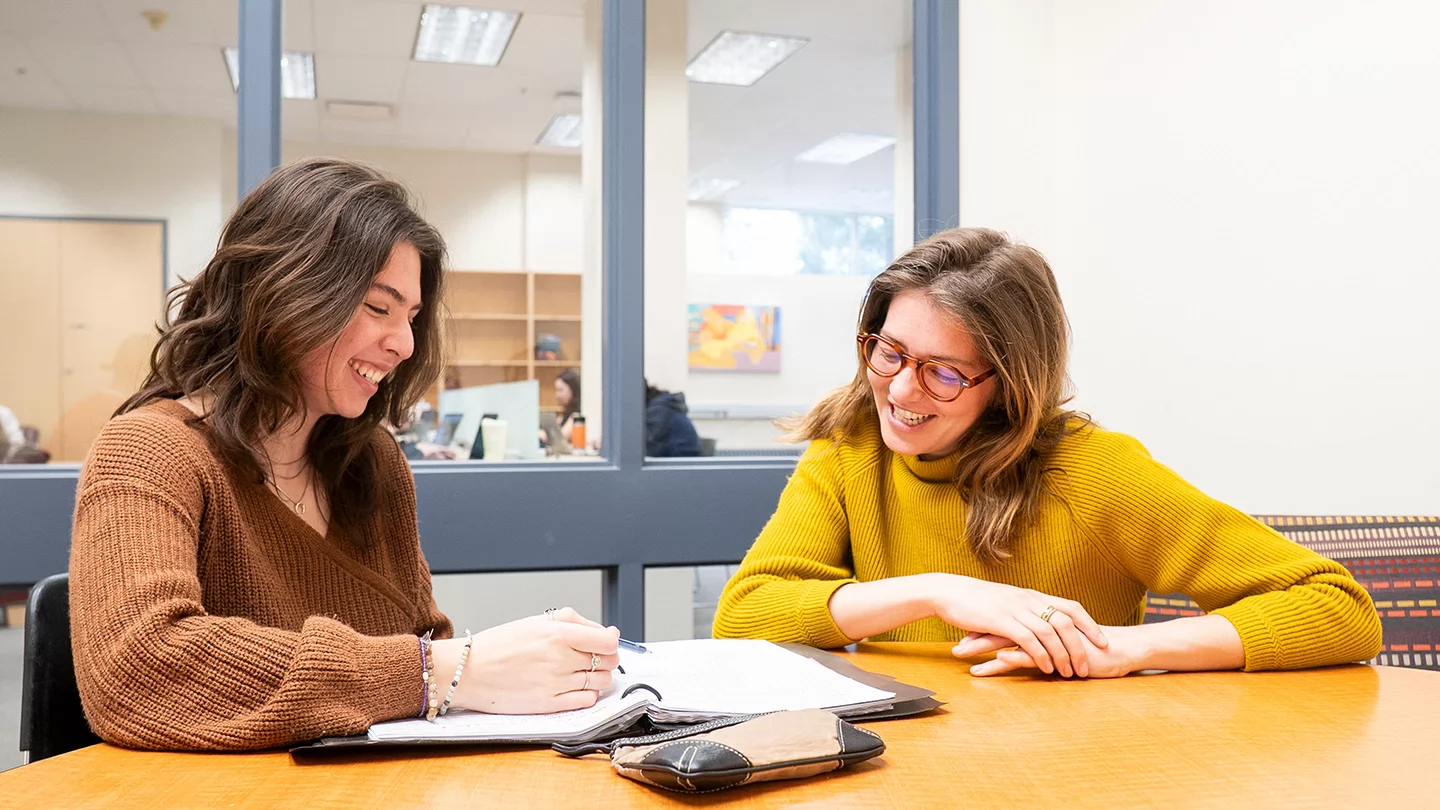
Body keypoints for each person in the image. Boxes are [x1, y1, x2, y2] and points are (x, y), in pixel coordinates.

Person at [69, 157, 619, 752]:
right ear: (282, 292)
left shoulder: (373, 462)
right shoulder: (150, 451)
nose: (404, 344)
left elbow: (424, 651)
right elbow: (137, 669)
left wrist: (500, 674)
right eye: (378, 308)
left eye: (411, 316)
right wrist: (438, 672)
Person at [713, 227, 1381, 679]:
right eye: (889, 352)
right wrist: (940, 593)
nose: (900, 389)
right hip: (905, 770)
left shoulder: (1094, 473)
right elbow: (744, 616)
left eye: (943, 371)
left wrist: (1122, 648)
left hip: (1072, 771)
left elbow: (1336, 606)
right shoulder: (848, 448)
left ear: (1011, 382)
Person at [645, 380, 701, 457]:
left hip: (680, 462)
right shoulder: (663, 405)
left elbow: (644, 449)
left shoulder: (659, 410)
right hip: (682, 460)